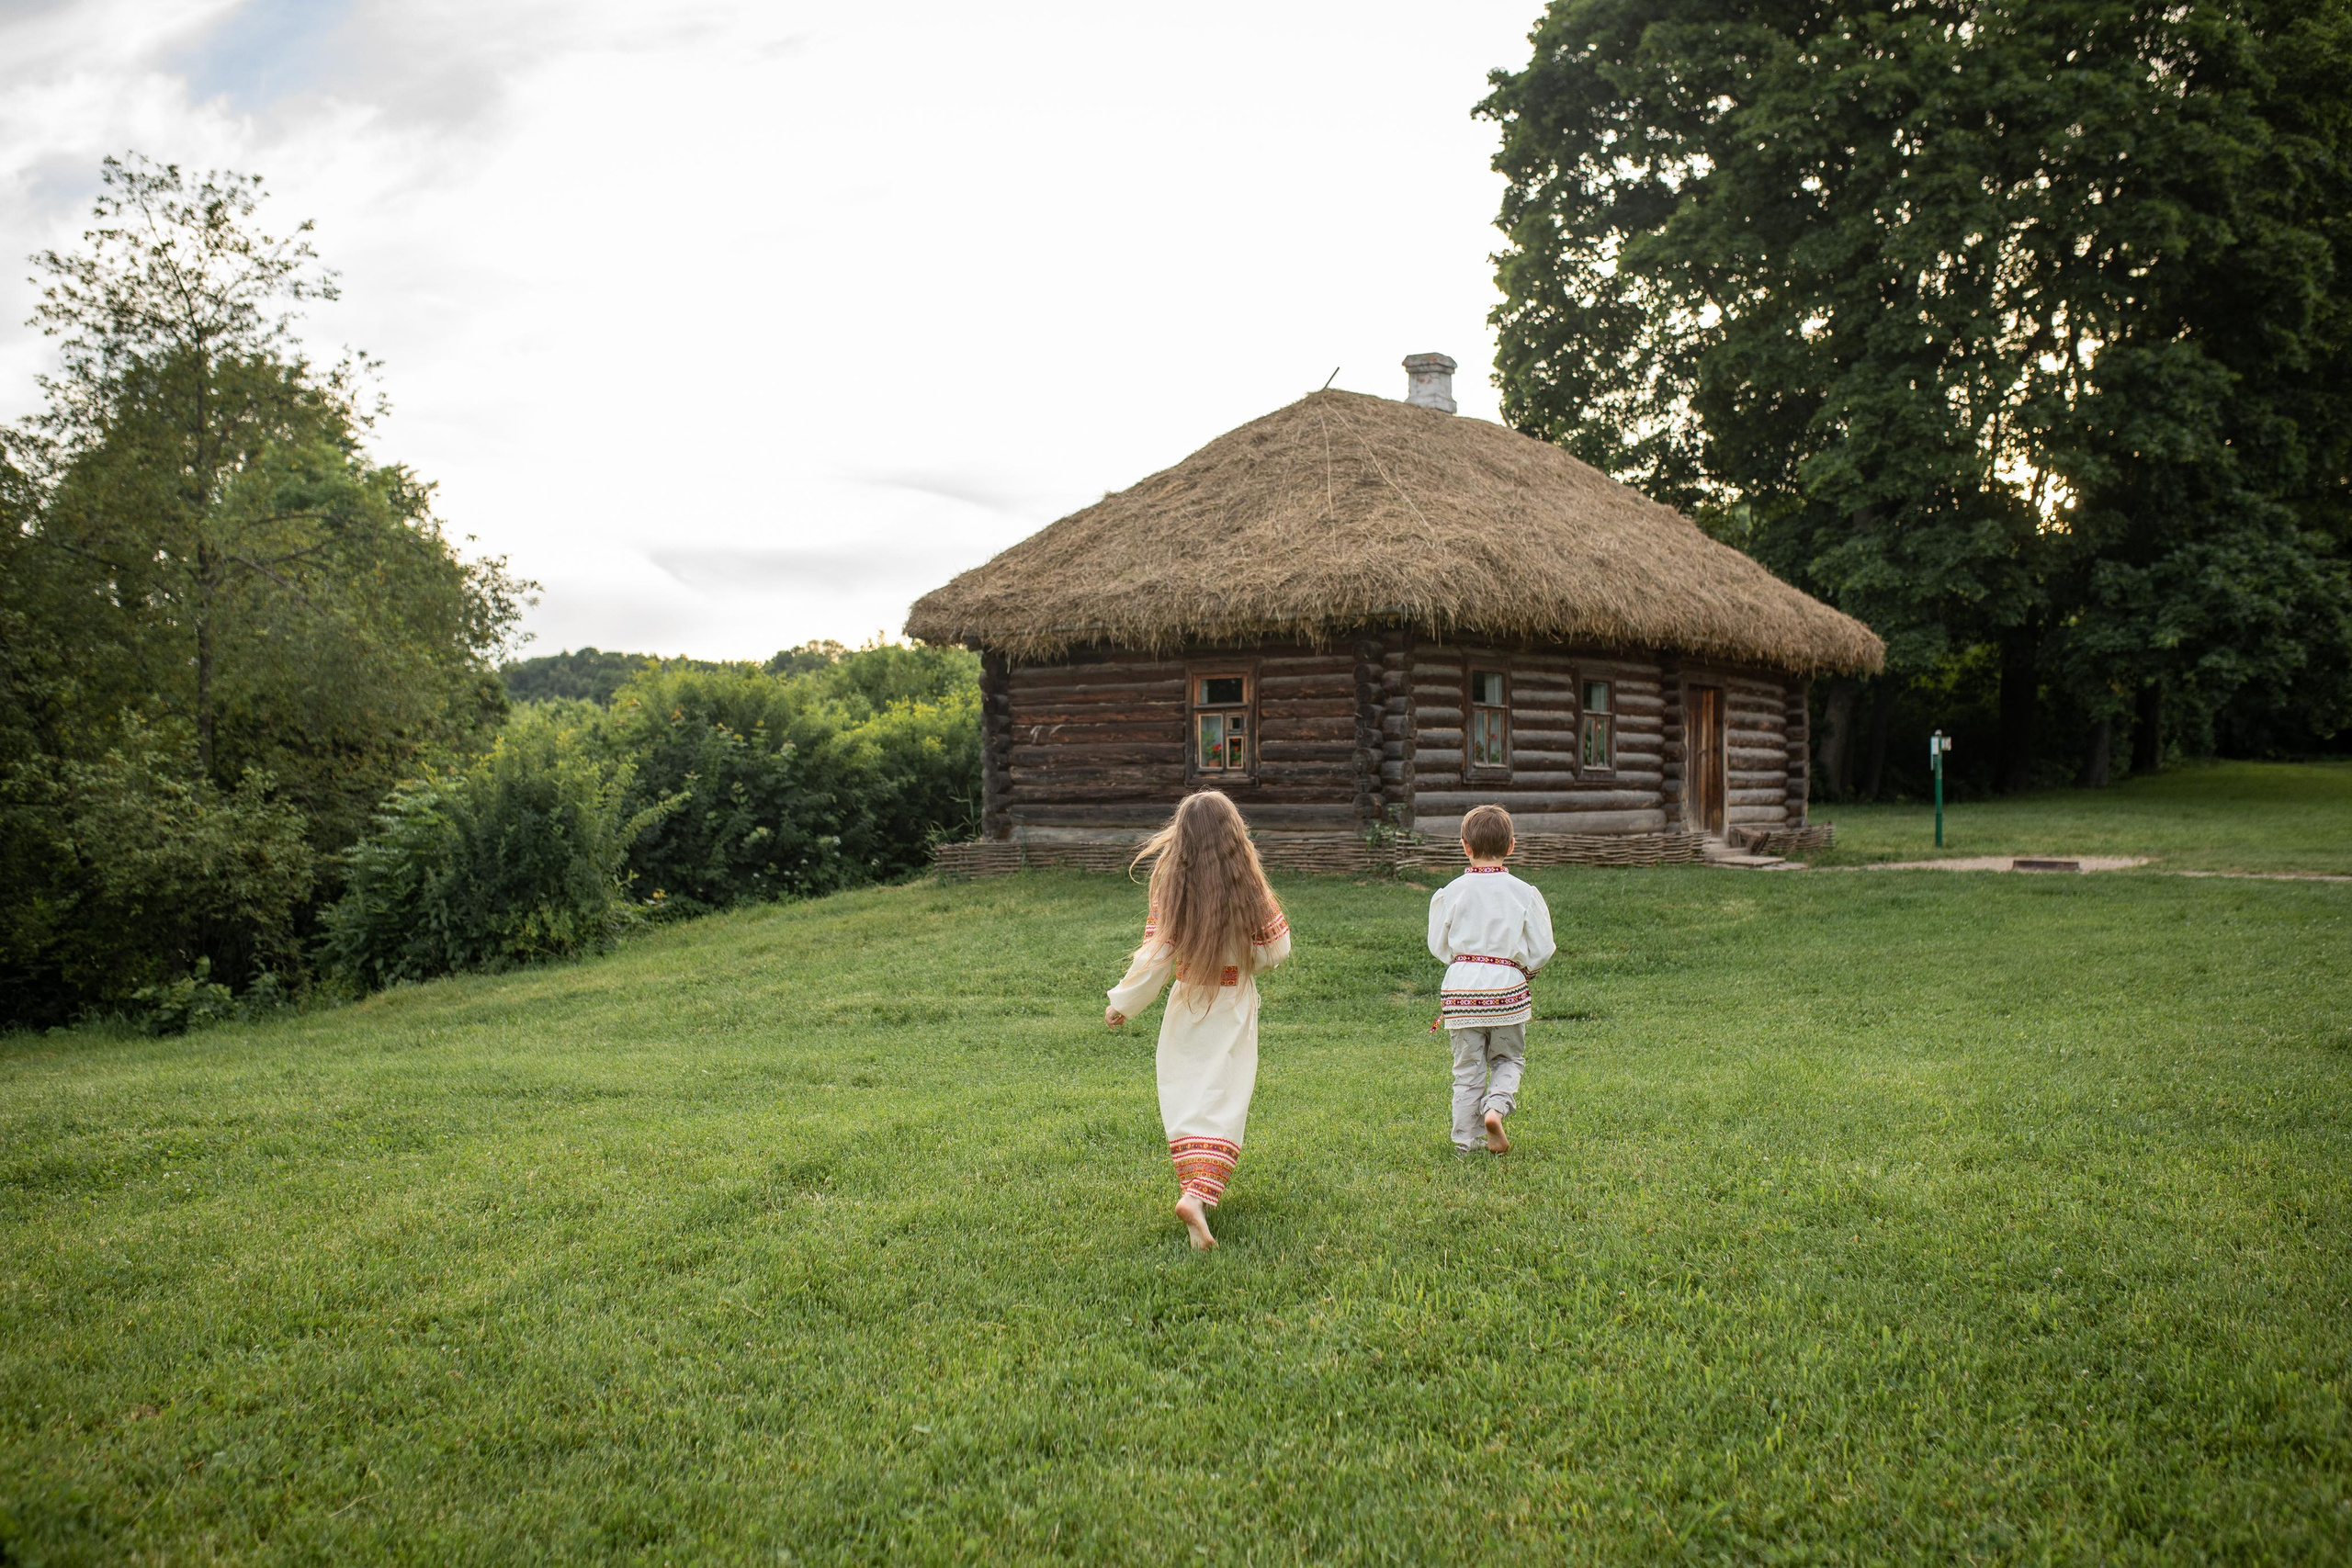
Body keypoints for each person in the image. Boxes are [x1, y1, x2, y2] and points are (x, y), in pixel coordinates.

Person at [1105, 791, 1291, 1250]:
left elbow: (1156, 956)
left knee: (1188, 1098)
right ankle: (1195, 1195)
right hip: (1231, 1006)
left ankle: (1196, 1195)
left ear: (1180, 838)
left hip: (1186, 1006)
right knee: (1224, 1101)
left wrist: (1123, 1003)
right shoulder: (1250, 889)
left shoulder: (1172, 892)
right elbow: (1275, 951)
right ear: (1236, 836)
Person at [1427, 804, 1555, 1155]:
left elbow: (1438, 946)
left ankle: (1464, 1145)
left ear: (1465, 846)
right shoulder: (1524, 892)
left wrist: (1464, 964)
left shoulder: (1450, 892)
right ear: (1511, 845)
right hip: (1507, 993)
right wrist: (1523, 971)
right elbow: (1543, 947)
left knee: (1467, 1071)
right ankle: (1495, 1108)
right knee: (1508, 1060)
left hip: (1461, 992)